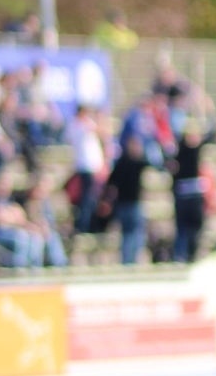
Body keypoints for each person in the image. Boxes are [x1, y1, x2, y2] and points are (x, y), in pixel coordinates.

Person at [170, 120, 213, 263]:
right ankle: (183, 255)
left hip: (188, 192)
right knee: (185, 228)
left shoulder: (180, 150)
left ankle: (187, 255)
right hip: (187, 194)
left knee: (192, 229)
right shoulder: (185, 150)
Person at [65, 105, 108, 234]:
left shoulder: (75, 125)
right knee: (87, 198)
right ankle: (85, 225)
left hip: (87, 166)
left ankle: (86, 224)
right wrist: (100, 118)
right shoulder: (80, 125)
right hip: (87, 166)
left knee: (88, 197)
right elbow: (101, 131)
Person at [110, 135, 152, 266]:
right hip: (132, 204)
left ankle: (127, 260)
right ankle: (131, 260)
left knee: (127, 234)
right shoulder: (136, 163)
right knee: (134, 233)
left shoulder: (120, 163)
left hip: (122, 204)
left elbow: (111, 183)